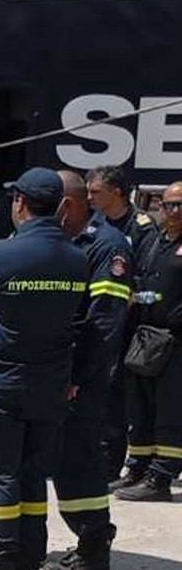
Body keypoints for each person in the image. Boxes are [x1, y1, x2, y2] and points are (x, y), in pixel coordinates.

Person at [0, 168, 95, 570]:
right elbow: (81, 322)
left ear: (19, 204)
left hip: (3, 381)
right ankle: (28, 566)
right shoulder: (77, 259)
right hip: (51, 383)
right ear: (62, 206)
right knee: (32, 475)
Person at [37, 171, 133, 570]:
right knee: (54, 456)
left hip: (82, 375)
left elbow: (103, 324)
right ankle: (19, 543)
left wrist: (76, 376)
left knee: (78, 457)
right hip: (56, 370)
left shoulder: (106, 245)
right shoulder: (63, 242)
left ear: (68, 205)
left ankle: (94, 548)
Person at [88, 166, 158, 481]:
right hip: (99, 319)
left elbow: (151, 283)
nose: (90, 198)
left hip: (132, 325)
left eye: (96, 192)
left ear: (116, 192)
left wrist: (132, 299)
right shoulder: (94, 225)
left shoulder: (142, 228)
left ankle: (114, 463)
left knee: (121, 394)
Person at [116, 180, 182, 503]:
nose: (173, 211)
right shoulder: (157, 240)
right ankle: (138, 466)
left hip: (176, 340)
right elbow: (145, 282)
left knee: (170, 409)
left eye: (179, 205)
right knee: (140, 404)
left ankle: (161, 476)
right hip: (146, 336)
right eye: (168, 205)